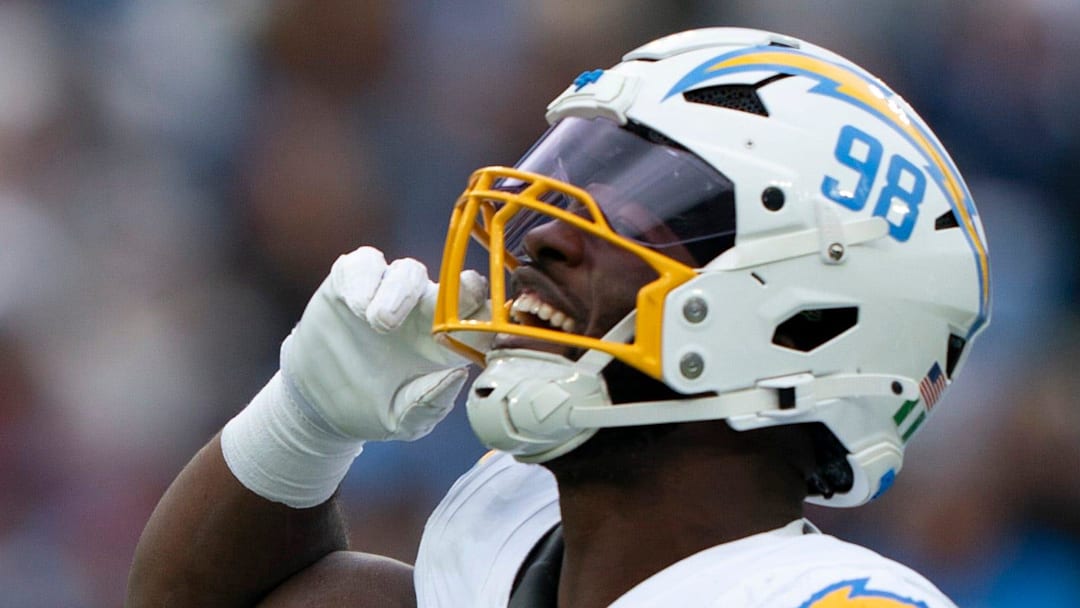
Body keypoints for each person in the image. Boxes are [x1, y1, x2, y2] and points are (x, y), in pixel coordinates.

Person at [127, 27, 990, 607]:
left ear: (806, 327)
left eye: (643, 212)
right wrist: (304, 420)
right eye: (573, 184)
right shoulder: (509, 530)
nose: (543, 238)